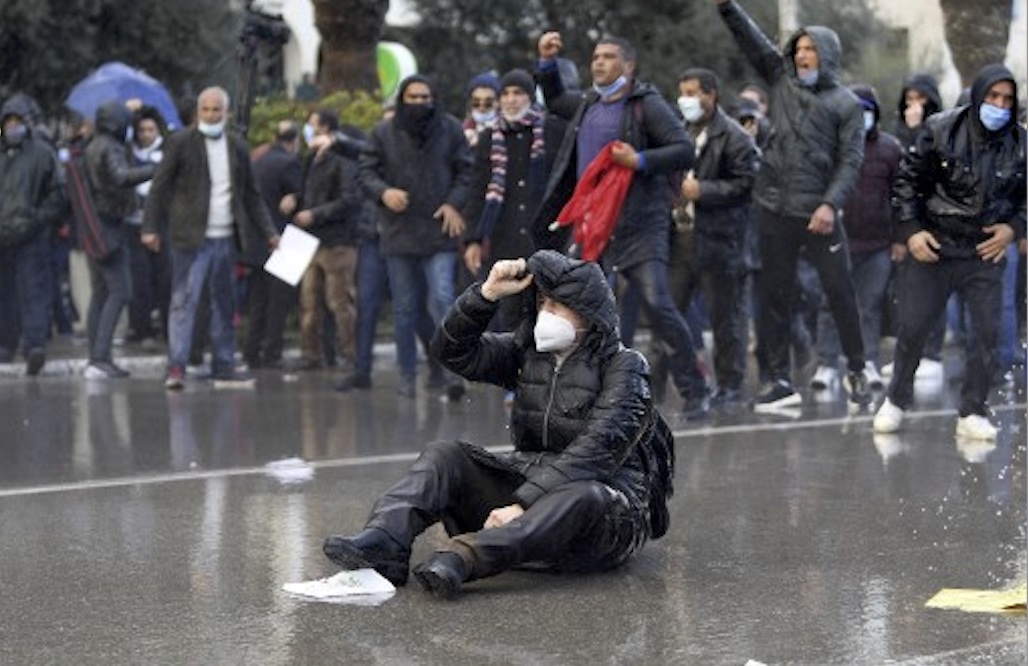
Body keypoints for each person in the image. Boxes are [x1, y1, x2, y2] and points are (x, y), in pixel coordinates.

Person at [323, 249, 675, 599]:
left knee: (587, 495)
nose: (545, 314)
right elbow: (452, 352)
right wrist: (485, 294)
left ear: (586, 313)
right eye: (541, 303)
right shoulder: (530, 353)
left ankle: (465, 556)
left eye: (556, 305)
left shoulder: (626, 366)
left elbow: (598, 451)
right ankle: (385, 542)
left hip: (603, 515)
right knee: (445, 456)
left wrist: (523, 506)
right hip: (530, 498)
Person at [534, 32, 710, 417]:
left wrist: (641, 161)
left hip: (640, 225)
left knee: (659, 305)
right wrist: (547, 64)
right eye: (596, 56)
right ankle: (589, 393)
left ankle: (695, 389)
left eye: (609, 56)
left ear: (627, 66)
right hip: (593, 226)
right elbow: (556, 100)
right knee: (581, 308)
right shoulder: (588, 102)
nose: (599, 62)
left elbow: (681, 148)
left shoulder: (645, 103)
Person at [714, 0, 872, 411]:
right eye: (798, 50)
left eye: (810, 50)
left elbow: (850, 160)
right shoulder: (779, 80)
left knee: (839, 292)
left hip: (819, 212)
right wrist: (727, 8)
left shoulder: (846, 104)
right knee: (774, 298)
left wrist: (829, 205)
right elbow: (751, 41)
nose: (802, 56)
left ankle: (857, 367)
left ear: (828, 55)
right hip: (774, 208)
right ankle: (778, 379)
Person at [873, 64, 1025, 441]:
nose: (999, 106)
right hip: (935, 246)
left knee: (986, 333)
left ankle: (973, 409)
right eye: (993, 97)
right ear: (978, 96)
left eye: (1007, 100)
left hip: (985, 251)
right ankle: (896, 397)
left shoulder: (1021, 143)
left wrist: (1014, 228)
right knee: (913, 327)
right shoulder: (941, 129)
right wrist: (912, 232)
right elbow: (907, 182)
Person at [142, 87, 279, 389]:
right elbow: (159, 187)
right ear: (198, 113)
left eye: (216, 110)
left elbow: (251, 195)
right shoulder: (181, 143)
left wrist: (269, 232)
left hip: (226, 238)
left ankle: (223, 363)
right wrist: (149, 227)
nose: (211, 115)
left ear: (226, 113)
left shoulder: (236, 146)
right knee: (184, 302)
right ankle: (177, 365)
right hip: (191, 239)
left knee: (224, 303)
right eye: (205, 109)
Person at [358, 75, 473, 399]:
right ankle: (407, 376)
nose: (420, 103)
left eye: (425, 97)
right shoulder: (383, 132)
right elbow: (365, 172)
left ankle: (453, 374)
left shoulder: (450, 129)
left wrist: (454, 202)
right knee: (405, 309)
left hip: (439, 230)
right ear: (402, 98)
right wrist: (384, 192)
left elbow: (467, 170)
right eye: (413, 97)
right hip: (399, 232)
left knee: (442, 297)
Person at [654, 67, 758, 407]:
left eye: (693, 92)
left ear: (711, 95)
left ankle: (729, 387)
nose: (686, 100)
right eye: (682, 92)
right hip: (679, 240)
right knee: (667, 317)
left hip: (718, 242)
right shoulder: (678, 132)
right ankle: (659, 386)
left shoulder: (733, 136)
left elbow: (746, 184)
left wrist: (705, 190)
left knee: (725, 320)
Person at [809, 85, 902, 392]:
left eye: (867, 109)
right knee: (829, 303)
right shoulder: (830, 147)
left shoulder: (890, 149)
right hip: (838, 241)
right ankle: (826, 364)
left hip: (877, 245)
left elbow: (901, 197)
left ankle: (869, 363)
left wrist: (900, 239)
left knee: (869, 306)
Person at [462, 68, 564, 333]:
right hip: (504, 240)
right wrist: (473, 239)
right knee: (511, 315)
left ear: (530, 97)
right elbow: (478, 189)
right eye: (505, 93)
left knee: (550, 316)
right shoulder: (490, 137)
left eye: (518, 93)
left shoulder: (552, 130)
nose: (510, 99)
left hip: (546, 237)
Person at [82, 101, 158, 379]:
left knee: (101, 293)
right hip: (109, 226)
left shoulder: (94, 144)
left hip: (95, 226)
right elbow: (120, 177)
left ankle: (96, 357)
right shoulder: (110, 147)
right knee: (120, 291)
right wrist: (153, 169)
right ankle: (101, 357)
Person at [282, 109, 361, 371]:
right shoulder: (311, 158)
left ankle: (351, 355)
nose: (308, 130)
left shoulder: (343, 158)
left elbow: (349, 200)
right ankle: (311, 355)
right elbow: (308, 191)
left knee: (340, 302)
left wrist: (314, 215)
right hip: (309, 242)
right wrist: (295, 198)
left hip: (337, 242)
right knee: (309, 303)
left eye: (313, 125)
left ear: (325, 129)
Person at [881, 74, 947, 382]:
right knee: (906, 294)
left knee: (935, 291)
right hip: (906, 224)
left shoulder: (942, 131)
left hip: (936, 223)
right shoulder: (897, 133)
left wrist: (918, 129)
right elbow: (899, 174)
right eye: (909, 100)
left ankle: (932, 353)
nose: (914, 106)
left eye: (921, 100)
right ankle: (907, 355)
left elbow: (928, 167)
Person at [0, 94, 65, 375]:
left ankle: (35, 344)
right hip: (3, 236)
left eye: (17, 122)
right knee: (6, 294)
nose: (13, 127)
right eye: (8, 122)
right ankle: (6, 343)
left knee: (33, 291)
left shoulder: (42, 153)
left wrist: (37, 220)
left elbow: (58, 193)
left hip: (32, 234)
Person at [244, 119, 302, 369]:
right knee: (279, 302)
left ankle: (251, 351)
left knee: (258, 300)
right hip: (284, 240)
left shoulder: (258, 161)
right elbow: (300, 197)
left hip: (257, 241)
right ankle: (272, 353)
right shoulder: (289, 163)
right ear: (295, 141)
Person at [124, 106, 170, 350]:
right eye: (142, 130)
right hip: (134, 223)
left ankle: (167, 327)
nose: (146, 134)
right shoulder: (128, 153)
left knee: (166, 278)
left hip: (162, 224)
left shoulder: (167, 152)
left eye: (151, 129)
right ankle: (142, 328)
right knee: (139, 280)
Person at [461, 72, 501, 147]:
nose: (481, 108)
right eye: (476, 103)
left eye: (488, 103)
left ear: (498, 102)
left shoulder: (508, 132)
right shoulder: (460, 133)